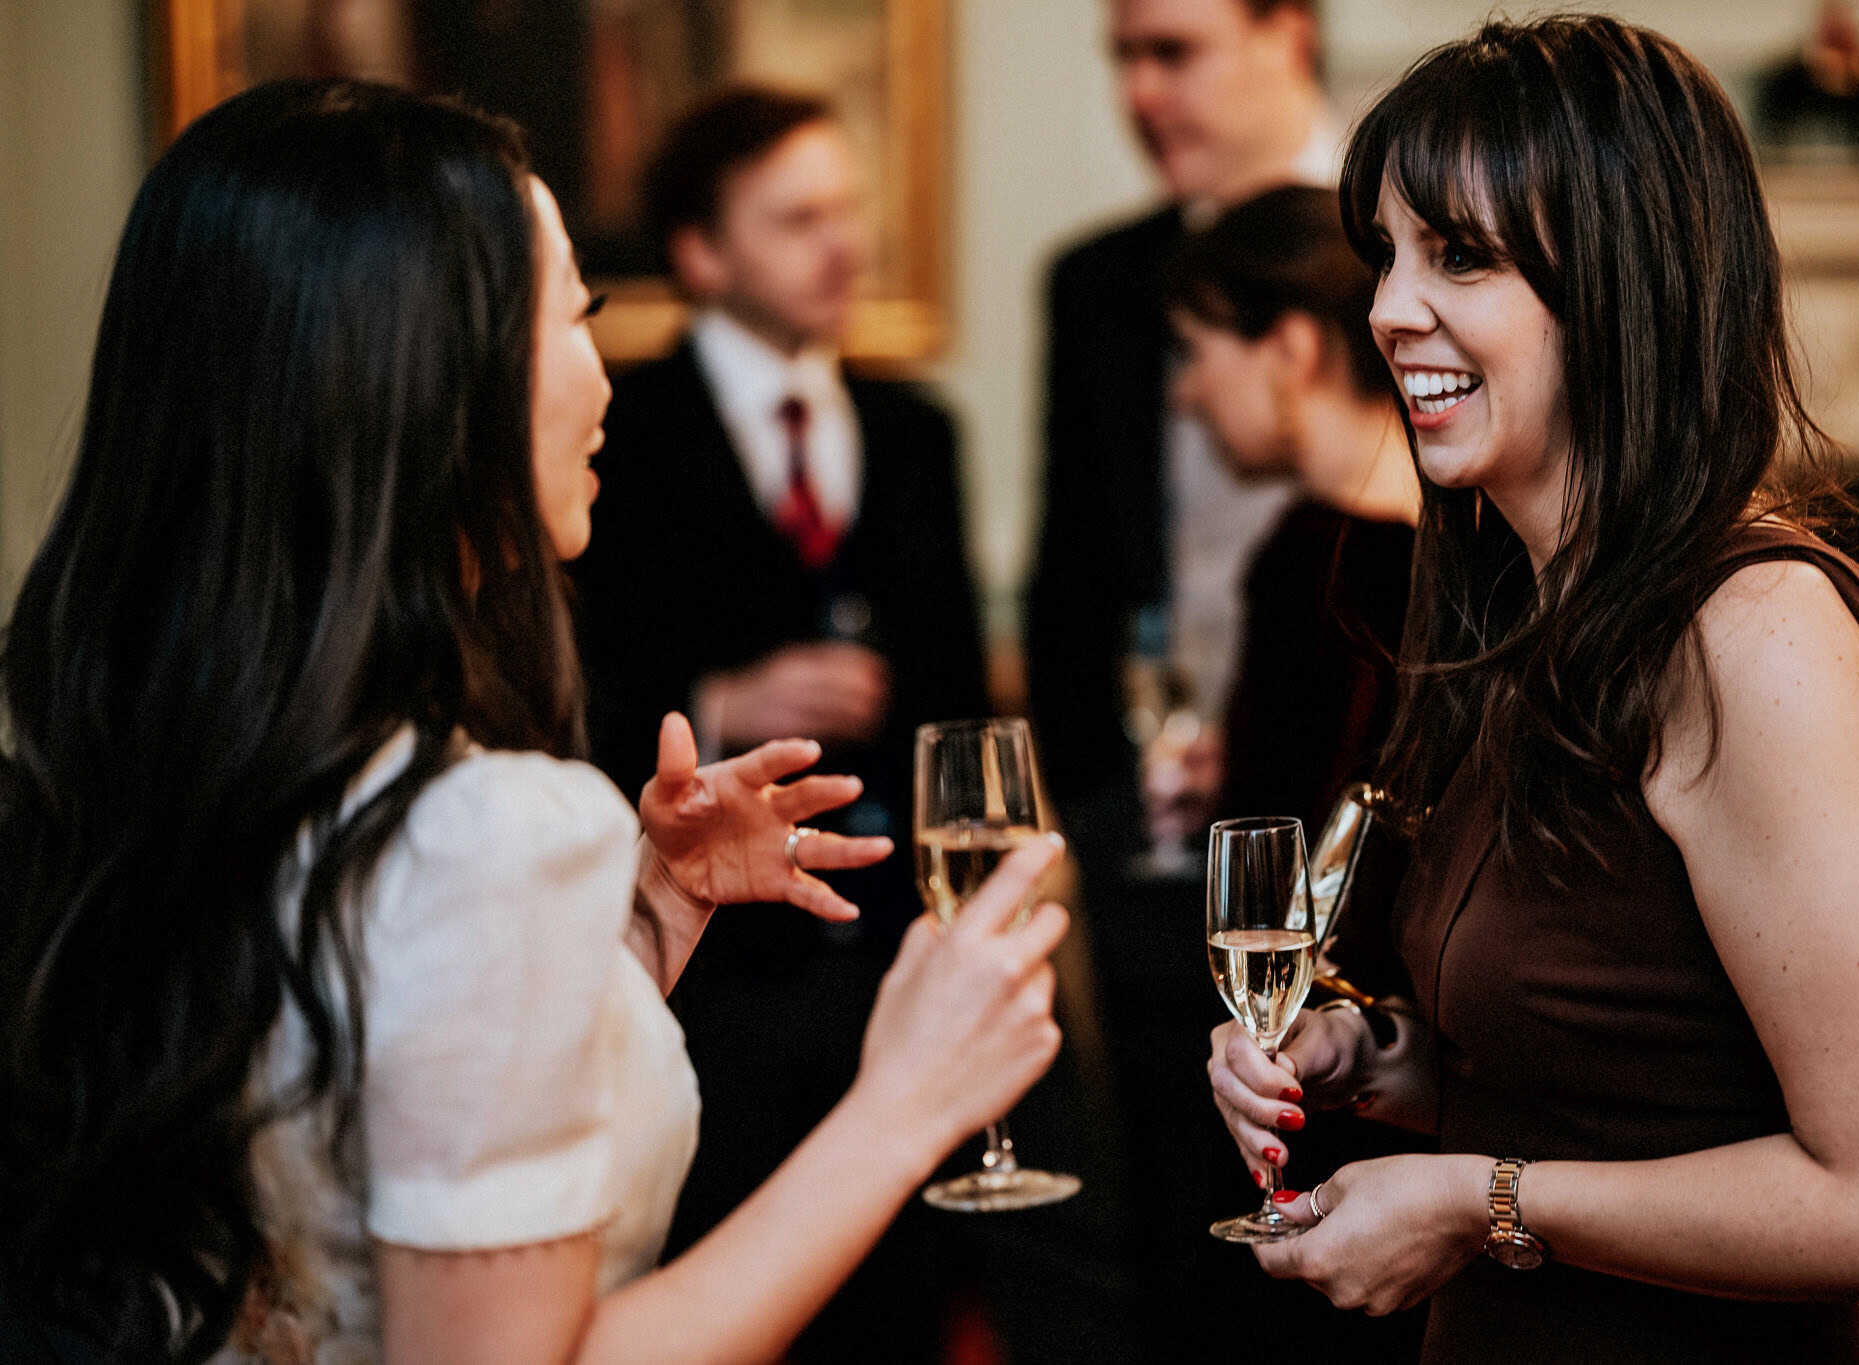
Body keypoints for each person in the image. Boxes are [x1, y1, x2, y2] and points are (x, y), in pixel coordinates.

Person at [0, 79, 1069, 1363]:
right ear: (438, 376)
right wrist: (903, 1105)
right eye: (578, 313)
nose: (599, 373)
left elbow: (369, 1107)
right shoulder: (487, 823)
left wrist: (649, 914)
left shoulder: (174, 746)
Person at [1207, 17, 1859, 1363]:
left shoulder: (1755, 636)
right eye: (1388, 255)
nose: (1391, 309)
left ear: (1622, 282)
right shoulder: (1532, 616)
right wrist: (1381, 1055)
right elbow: (1629, 1075)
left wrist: (1477, 1200)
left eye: (1459, 255)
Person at [570, 86, 1112, 1364]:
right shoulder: (621, 435)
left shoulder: (918, 430)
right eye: (798, 217)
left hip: (894, 938)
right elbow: (569, 693)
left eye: (848, 210)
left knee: (915, 1301)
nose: (842, 243)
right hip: (722, 974)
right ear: (703, 253)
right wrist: (715, 705)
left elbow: (965, 711)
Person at [1027, 0, 1338, 870]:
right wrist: (1098, 819)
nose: (1140, 93)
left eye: (1174, 52)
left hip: (1359, 816)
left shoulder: (1403, 243)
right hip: (1152, 846)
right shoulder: (1094, 283)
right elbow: (1071, 581)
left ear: (1289, 35)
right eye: (1124, 58)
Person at [1160, 183, 1418, 834]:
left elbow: (1284, 866)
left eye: (1196, 349)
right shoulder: (1453, 535)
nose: (1184, 393)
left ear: (1290, 350)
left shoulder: (1317, 557)